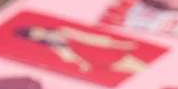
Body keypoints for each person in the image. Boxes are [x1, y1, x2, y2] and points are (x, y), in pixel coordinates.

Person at [13, 24, 141, 74]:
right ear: (34, 39)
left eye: (37, 30)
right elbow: (70, 57)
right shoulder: (53, 46)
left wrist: (119, 44)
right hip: (96, 61)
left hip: (103, 52)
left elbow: (90, 38)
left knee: (140, 68)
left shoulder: (63, 31)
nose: (39, 33)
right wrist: (82, 63)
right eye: (34, 35)